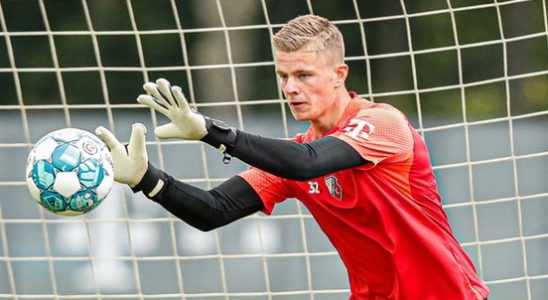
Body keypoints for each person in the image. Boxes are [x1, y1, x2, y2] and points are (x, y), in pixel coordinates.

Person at [95, 14, 489, 300]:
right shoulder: (290, 158)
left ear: (339, 74)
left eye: (304, 75)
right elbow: (213, 210)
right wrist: (147, 179)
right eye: (283, 76)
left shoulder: (383, 125)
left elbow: (308, 162)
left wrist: (211, 132)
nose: (290, 88)